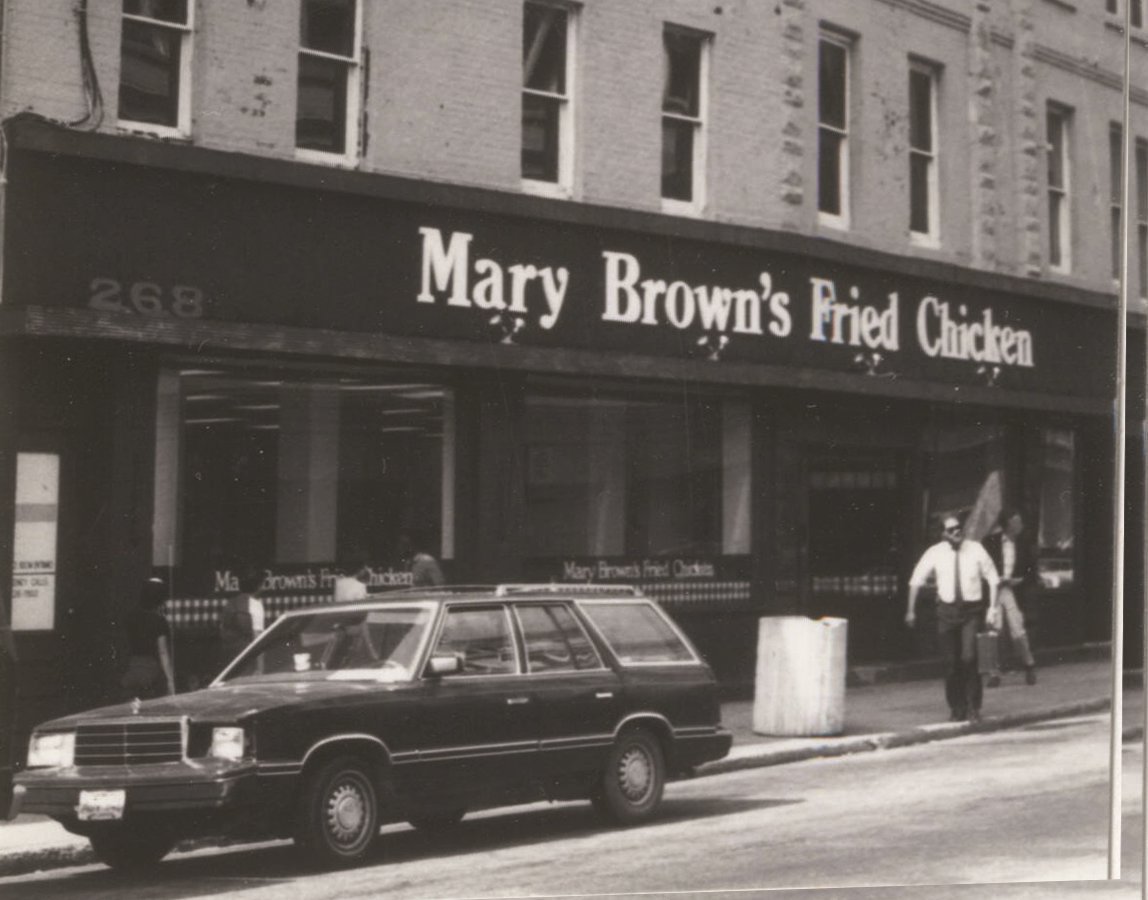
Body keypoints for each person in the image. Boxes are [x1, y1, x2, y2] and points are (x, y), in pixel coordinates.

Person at [905, 514, 1000, 723]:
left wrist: (992, 608)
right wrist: (911, 610)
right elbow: (916, 580)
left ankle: (973, 707)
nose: (957, 532)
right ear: (943, 534)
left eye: (959, 527)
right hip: (946, 613)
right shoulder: (934, 553)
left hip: (971, 612)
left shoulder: (976, 549)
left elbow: (993, 579)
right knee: (950, 663)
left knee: (969, 658)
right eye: (951, 530)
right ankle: (957, 708)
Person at [983, 509, 1038, 686]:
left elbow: (1031, 572)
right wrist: (994, 580)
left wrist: (1019, 580)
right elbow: (983, 568)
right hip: (995, 590)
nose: (1019, 526)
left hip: (1013, 591)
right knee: (992, 630)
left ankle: (1029, 665)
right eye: (1016, 523)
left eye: (1020, 523)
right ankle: (993, 673)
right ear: (1007, 525)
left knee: (1018, 630)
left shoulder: (1023, 543)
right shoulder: (991, 543)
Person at [120, 577, 176, 700]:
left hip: (132, 668)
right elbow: (163, 652)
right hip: (151, 671)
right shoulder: (159, 622)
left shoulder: (130, 617)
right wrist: (170, 680)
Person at [218, 567, 265, 672]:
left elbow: (222, 630)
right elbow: (258, 640)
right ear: (258, 586)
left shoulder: (230, 603)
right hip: (248, 662)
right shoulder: (256, 605)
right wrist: (261, 670)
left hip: (229, 661)